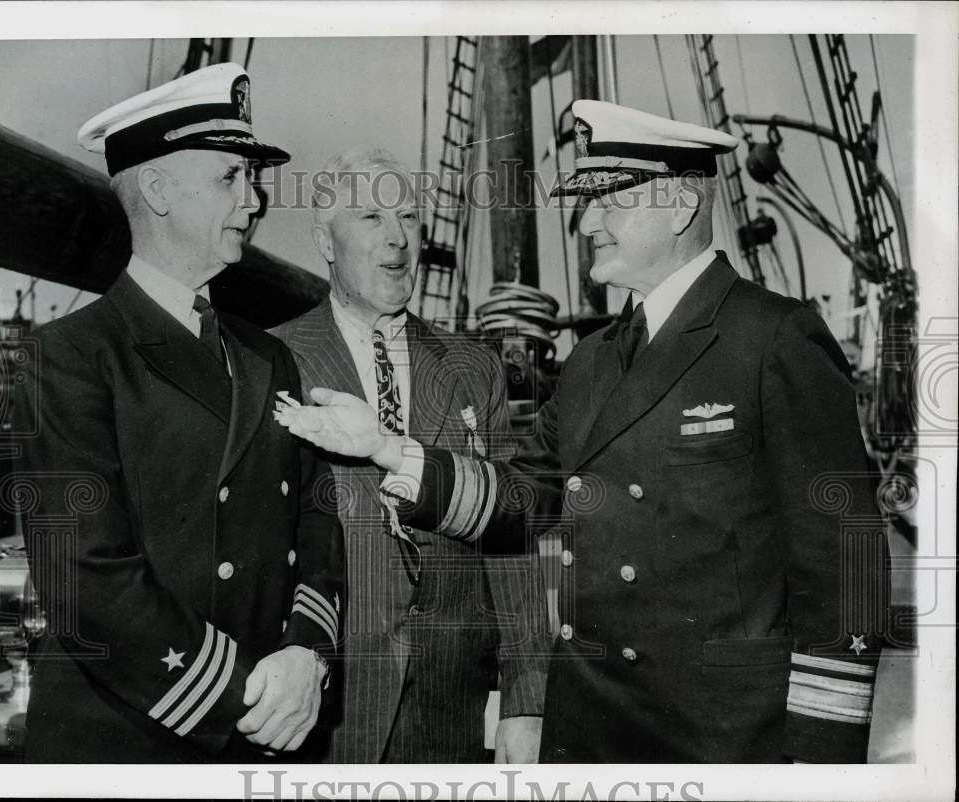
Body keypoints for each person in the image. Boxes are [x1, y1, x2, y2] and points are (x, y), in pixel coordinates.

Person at [275, 102, 887, 763]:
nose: (586, 220)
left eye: (608, 202)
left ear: (680, 205)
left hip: (723, 741)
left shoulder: (773, 338)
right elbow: (518, 501)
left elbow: (845, 560)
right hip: (594, 733)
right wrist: (386, 448)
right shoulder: (595, 360)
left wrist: (819, 760)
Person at [13, 63, 344, 763]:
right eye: (231, 177)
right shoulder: (68, 355)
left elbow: (317, 518)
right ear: (157, 189)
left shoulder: (269, 358)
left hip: (272, 728)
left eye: (251, 181)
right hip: (135, 737)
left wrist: (307, 656)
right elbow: (83, 577)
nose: (254, 202)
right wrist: (246, 692)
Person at [269, 146, 549, 763]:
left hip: (450, 712)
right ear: (325, 239)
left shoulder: (474, 367)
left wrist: (525, 701)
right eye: (371, 218)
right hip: (322, 715)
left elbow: (512, 536)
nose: (398, 239)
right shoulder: (272, 362)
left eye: (410, 217)